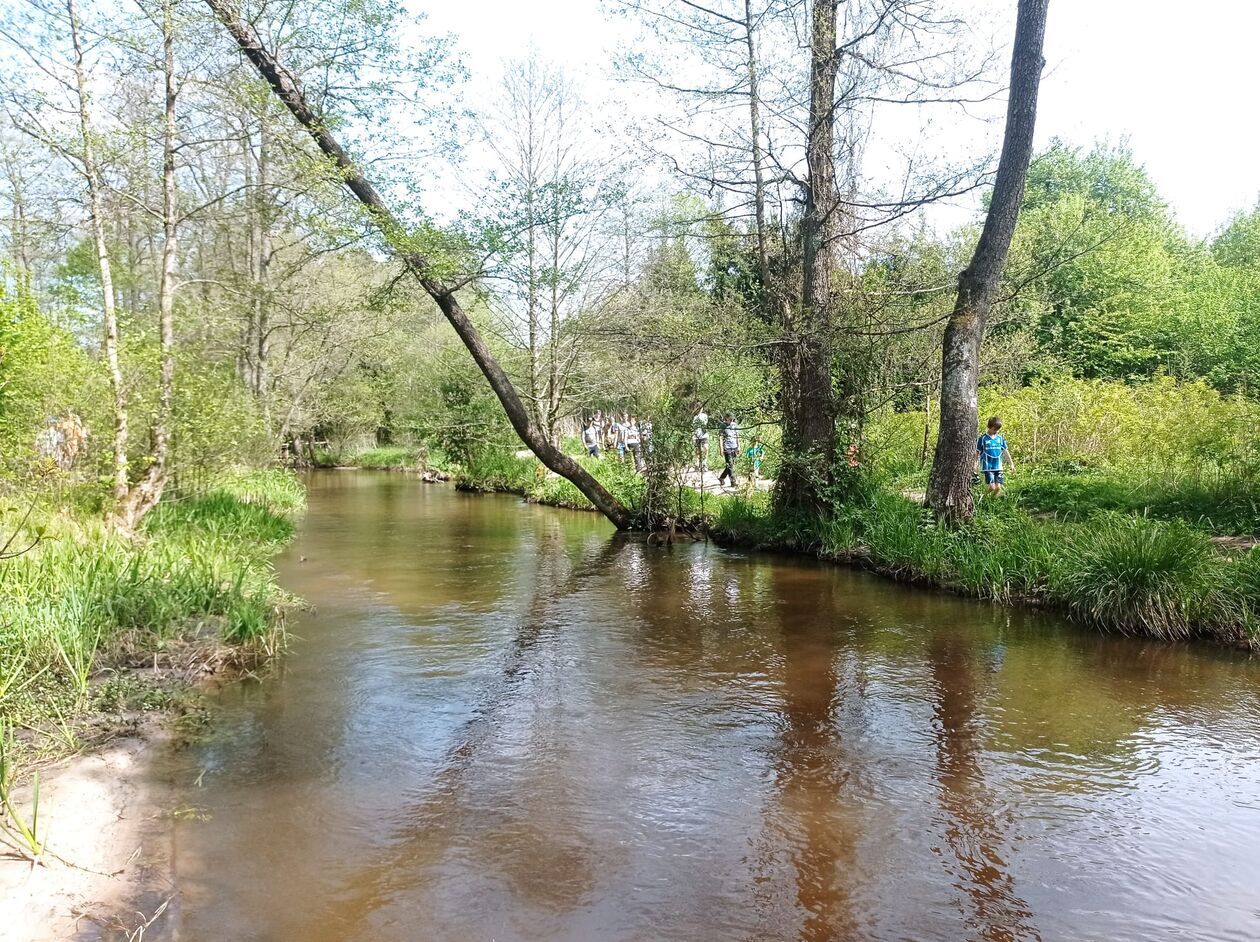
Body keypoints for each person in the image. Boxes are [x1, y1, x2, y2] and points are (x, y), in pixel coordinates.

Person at [976, 416, 1014, 496]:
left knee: (998, 488)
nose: (996, 431)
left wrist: (1011, 464)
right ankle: (983, 498)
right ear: (989, 427)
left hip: (998, 466)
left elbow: (1006, 451)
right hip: (988, 467)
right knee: (991, 487)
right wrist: (974, 464)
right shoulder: (983, 438)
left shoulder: (1000, 438)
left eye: (998, 429)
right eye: (994, 429)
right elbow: (977, 453)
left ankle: (991, 501)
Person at [717, 413, 739, 487]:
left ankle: (721, 477)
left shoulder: (734, 425)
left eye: (731, 419)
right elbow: (720, 438)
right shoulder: (722, 426)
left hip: (734, 446)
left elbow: (737, 435)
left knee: (731, 464)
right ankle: (733, 481)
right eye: (729, 419)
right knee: (730, 464)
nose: (730, 420)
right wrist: (721, 448)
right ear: (726, 418)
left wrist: (738, 446)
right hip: (727, 447)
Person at [693, 404, 710, 474]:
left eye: (700, 407)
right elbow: (694, 427)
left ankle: (704, 463)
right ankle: (697, 464)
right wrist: (693, 436)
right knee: (697, 451)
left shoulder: (705, 416)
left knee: (706, 448)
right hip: (697, 435)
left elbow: (704, 424)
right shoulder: (695, 417)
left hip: (704, 435)